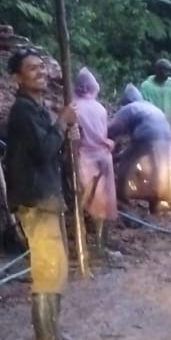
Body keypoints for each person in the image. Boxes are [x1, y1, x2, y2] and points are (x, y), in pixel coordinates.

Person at [5, 47, 84, 340]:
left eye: (41, 66)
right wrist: (62, 123)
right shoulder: (22, 111)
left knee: (57, 268)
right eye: (31, 68)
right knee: (48, 270)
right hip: (35, 200)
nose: (40, 71)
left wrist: (65, 132)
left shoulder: (36, 109)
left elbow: (51, 150)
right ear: (17, 77)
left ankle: (52, 330)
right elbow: (42, 151)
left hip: (47, 198)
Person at [108, 83, 171, 214]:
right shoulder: (149, 106)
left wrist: (106, 146)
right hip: (167, 137)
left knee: (126, 164)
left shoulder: (129, 108)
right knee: (157, 171)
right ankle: (156, 202)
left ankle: (121, 195)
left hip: (146, 136)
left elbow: (112, 130)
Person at [72, 67, 118, 247]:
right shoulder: (100, 108)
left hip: (82, 159)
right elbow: (102, 133)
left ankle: (79, 242)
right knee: (103, 205)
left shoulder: (73, 107)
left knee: (81, 202)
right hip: (102, 158)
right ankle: (100, 245)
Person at [139, 57, 171, 126]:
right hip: (153, 125)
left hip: (170, 125)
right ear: (158, 71)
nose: (169, 73)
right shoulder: (146, 86)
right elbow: (143, 108)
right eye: (166, 70)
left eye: (169, 70)